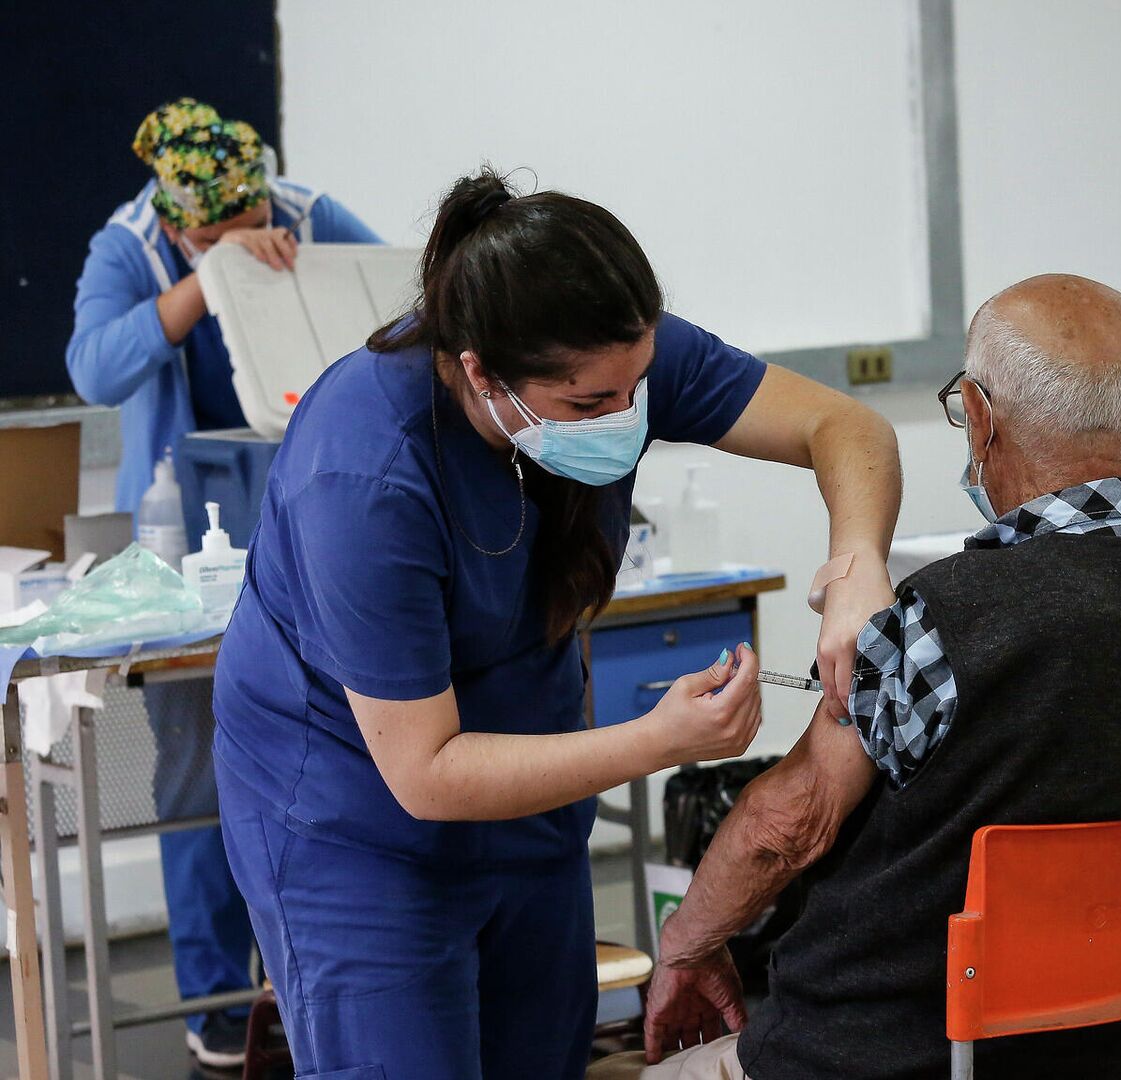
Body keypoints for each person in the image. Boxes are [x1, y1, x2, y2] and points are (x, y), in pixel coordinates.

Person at [209, 168, 903, 1080]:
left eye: (637, 388)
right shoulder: (364, 475)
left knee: (539, 1053)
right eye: (588, 407)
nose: (626, 418)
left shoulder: (612, 356)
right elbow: (425, 772)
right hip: (354, 816)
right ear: (481, 373)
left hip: (528, 782)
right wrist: (660, 740)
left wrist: (857, 571)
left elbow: (845, 428)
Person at [587, 274, 1121, 1080]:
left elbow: (783, 828)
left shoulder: (942, 620)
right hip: (1109, 1056)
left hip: (880, 1056)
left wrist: (686, 945)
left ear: (979, 416)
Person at [64, 96, 381, 1068]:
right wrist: (205, 287)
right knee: (198, 773)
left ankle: (326, 976)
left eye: (256, 224)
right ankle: (213, 1004)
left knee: (343, 751)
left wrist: (306, 270)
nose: (251, 239)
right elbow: (93, 369)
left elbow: (410, 301)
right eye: (219, 235)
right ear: (178, 228)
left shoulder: (307, 212)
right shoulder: (130, 246)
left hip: (313, 534)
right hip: (187, 549)